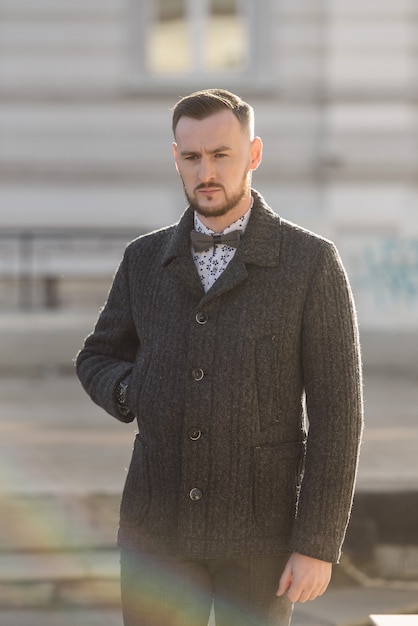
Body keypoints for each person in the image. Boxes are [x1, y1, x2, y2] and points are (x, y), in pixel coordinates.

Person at [76, 88, 363, 626]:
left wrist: (318, 542)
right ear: (177, 160)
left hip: (261, 540)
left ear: (253, 154)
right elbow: (97, 356)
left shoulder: (311, 264)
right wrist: (132, 389)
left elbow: (338, 418)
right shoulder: (143, 259)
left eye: (221, 154)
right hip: (155, 533)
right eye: (192, 157)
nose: (206, 171)